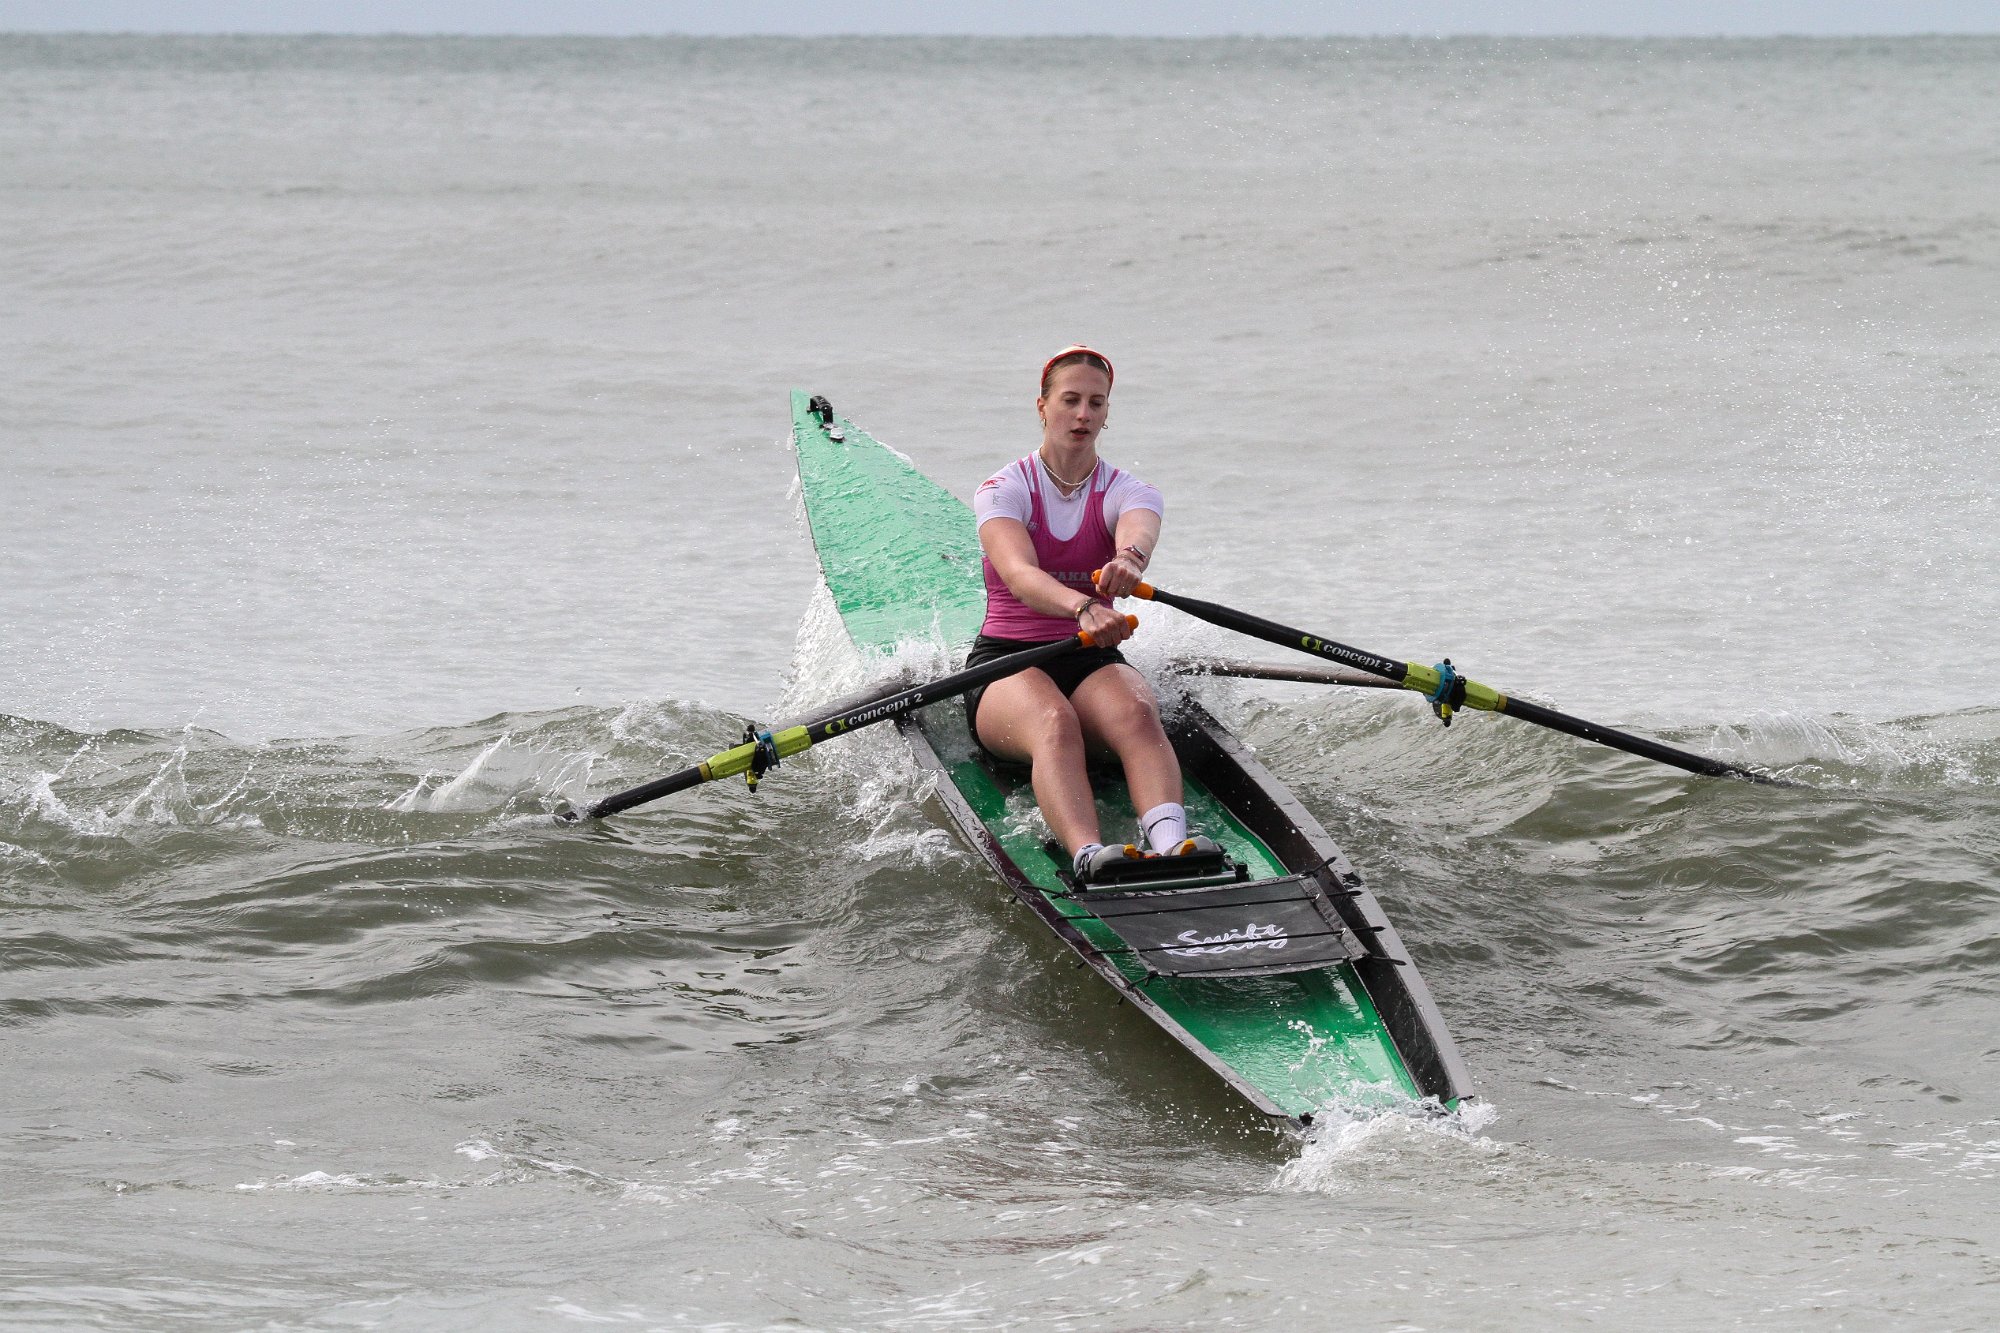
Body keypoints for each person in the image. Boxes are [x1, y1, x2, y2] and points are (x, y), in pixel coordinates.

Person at [963, 345, 1216, 885]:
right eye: (1070, 400)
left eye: (1095, 404)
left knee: (1138, 713)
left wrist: (1128, 561)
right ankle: (1088, 856)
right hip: (1007, 662)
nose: (1082, 415)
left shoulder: (1129, 490)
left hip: (1089, 656)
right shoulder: (1003, 490)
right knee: (1055, 722)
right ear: (1042, 406)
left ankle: (1174, 846)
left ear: (1106, 412)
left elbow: (1139, 529)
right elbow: (1020, 576)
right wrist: (1082, 605)